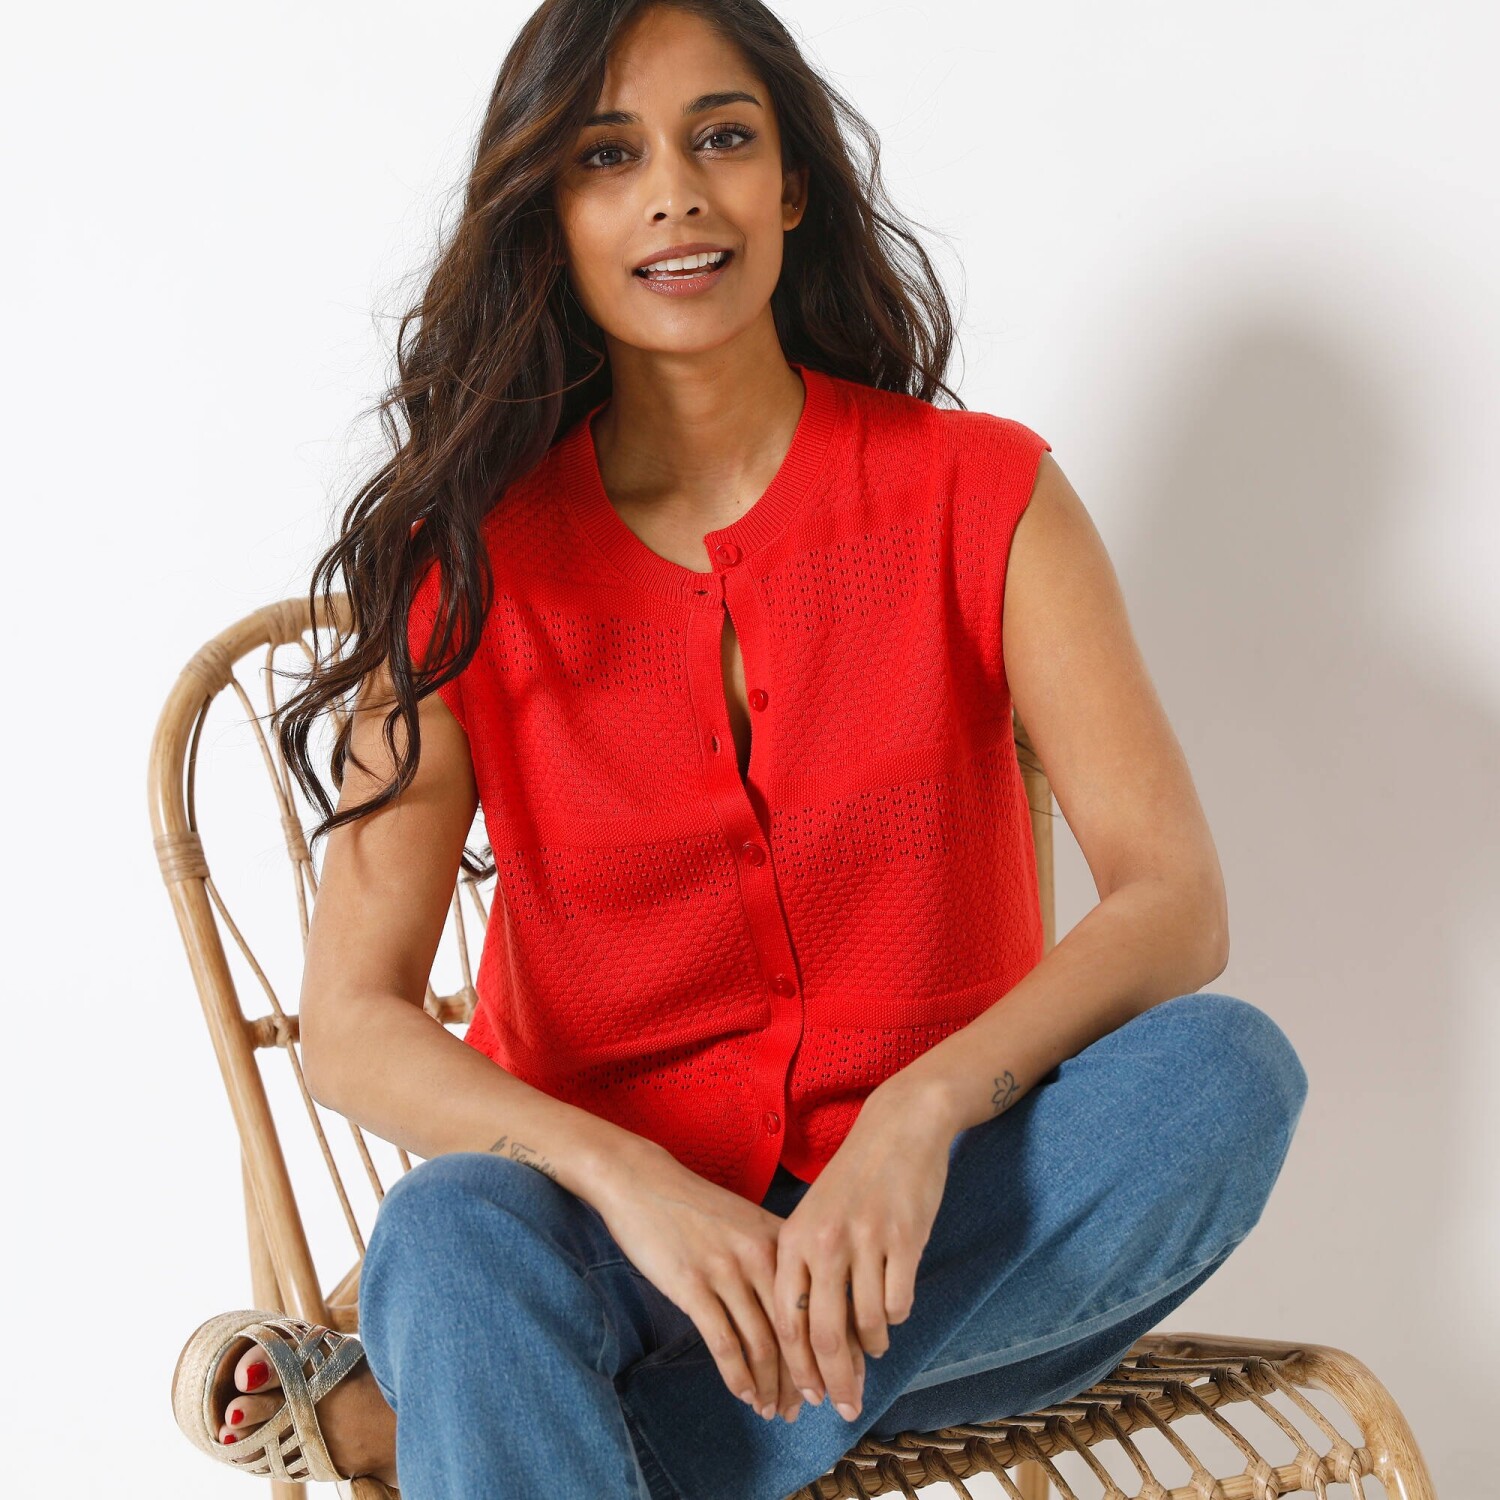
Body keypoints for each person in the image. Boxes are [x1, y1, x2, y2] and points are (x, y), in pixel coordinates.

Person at [170, 1, 1310, 1496]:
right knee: (449, 1237)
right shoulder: (465, 566)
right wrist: (624, 1175)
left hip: (942, 1240)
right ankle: (536, 1389)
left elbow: (1175, 900)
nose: (675, 193)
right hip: (619, 1261)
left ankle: (460, 1421)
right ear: (550, 217)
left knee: (1222, 1078)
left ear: (792, 186)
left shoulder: (985, 497)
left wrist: (919, 1116)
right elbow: (352, 1022)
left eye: (721, 137)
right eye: (608, 156)